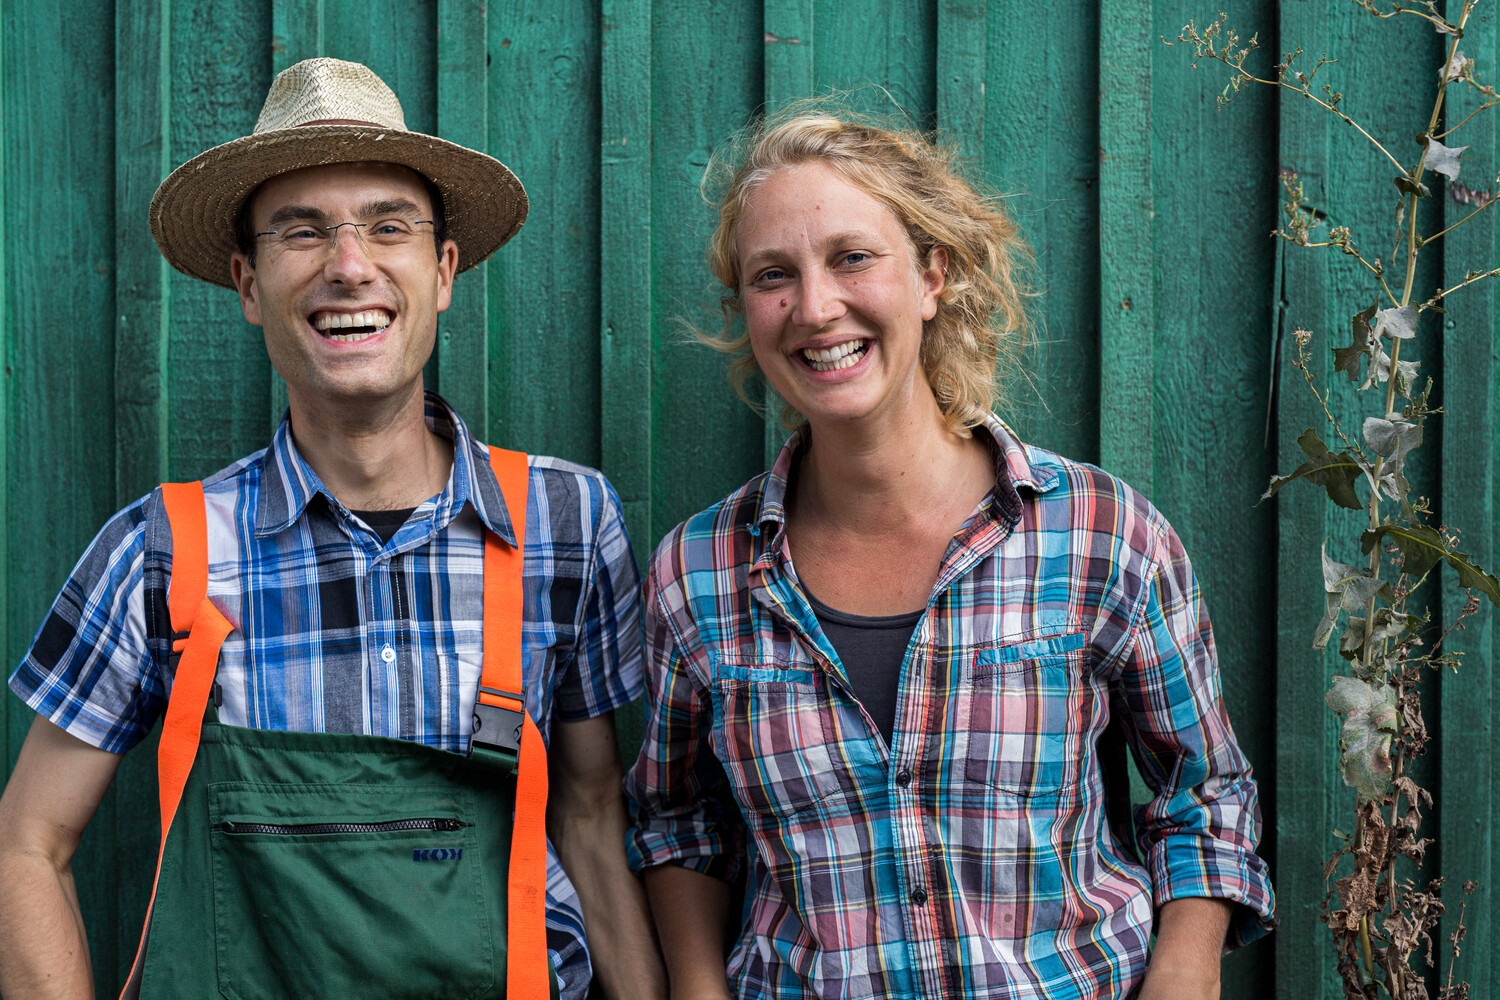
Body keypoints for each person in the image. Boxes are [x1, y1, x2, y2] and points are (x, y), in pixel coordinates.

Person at [0, 57, 664, 1000]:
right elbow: (28, 843)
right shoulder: (164, 550)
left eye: (388, 227)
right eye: (302, 231)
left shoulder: (564, 522)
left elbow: (592, 818)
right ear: (246, 281)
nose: (349, 265)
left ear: (440, 272)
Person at [624, 109, 1276, 999]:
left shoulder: (1098, 533)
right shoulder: (696, 576)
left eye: (853, 257)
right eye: (774, 275)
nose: (816, 308)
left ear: (933, 274)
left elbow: (1205, 797)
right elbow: (678, 823)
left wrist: (1182, 977)